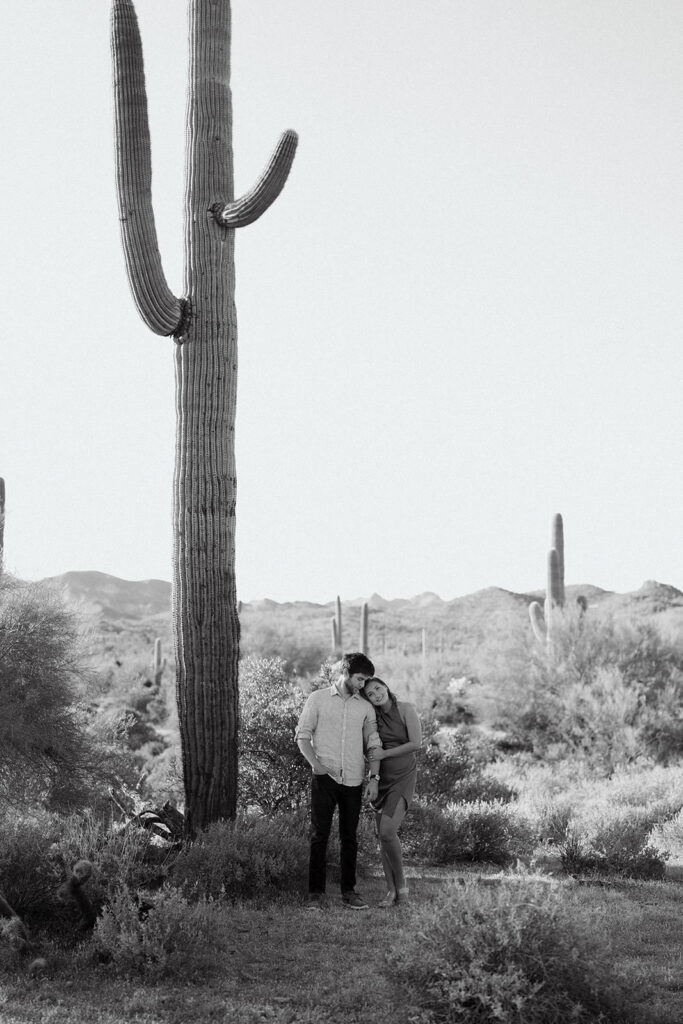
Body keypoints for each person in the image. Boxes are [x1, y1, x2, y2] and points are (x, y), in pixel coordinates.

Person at [296, 652, 381, 910]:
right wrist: (316, 766)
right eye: (359, 678)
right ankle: (315, 893)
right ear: (345, 673)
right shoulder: (318, 699)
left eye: (366, 680)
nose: (362, 684)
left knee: (349, 837)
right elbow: (302, 736)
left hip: (353, 779)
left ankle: (349, 891)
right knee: (319, 835)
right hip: (325, 777)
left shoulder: (366, 707)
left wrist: (373, 778)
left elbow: (373, 745)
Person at [361, 677, 422, 907]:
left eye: (378, 688)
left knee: (387, 831)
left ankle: (403, 887)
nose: (376, 694)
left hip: (404, 776)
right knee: (383, 837)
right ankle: (390, 891)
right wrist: (373, 779)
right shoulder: (373, 717)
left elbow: (416, 743)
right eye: (370, 694)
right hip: (383, 779)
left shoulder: (406, 709)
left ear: (385, 686)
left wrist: (386, 754)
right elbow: (373, 748)